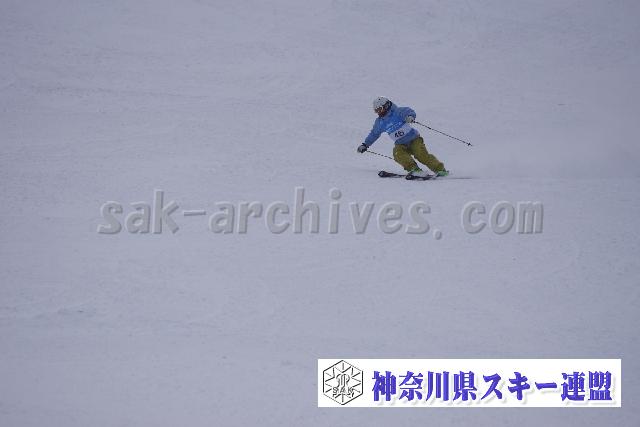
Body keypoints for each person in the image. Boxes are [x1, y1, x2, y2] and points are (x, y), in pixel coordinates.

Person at [357, 96, 449, 177]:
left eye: (380, 109)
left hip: (414, 139)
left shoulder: (397, 112)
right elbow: (374, 134)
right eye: (376, 111)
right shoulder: (380, 122)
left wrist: (410, 116)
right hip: (400, 144)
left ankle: (440, 170)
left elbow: (409, 111)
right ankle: (414, 170)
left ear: (386, 106)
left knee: (421, 154)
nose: (378, 112)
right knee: (398, 154)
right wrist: (365, 144)